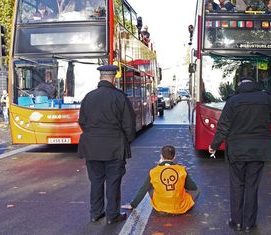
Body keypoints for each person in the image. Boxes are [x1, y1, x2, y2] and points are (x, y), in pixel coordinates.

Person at [208, 76, 271, 233]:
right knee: (252, 186)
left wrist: (214, 145)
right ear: (254, 84)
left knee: (237, 186)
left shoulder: (233, 101)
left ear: (239, 85)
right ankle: (249, 224)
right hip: (259, 150)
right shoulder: (265, 98)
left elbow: (223, 126)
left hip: (237, 150)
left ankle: (237, 222)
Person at [78, 64, 136, 224]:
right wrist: (125, 140)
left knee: (96, 181)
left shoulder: (88, 97)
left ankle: (95, 213)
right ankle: (112, 215)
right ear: (114, 78)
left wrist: (93, 134)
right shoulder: (120, 97)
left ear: (100, 77)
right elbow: (129, 125)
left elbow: (82, 121)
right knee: (113, 182)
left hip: (91, 147)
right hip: (114, 146)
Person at [121, 145, 199, 214]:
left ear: (161, 156)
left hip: (161, 209)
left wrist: (132, 205)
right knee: (196, 189)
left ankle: (162, 203)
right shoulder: (182, 170)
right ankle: (184, 204)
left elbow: (143, 189)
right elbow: (193, 187)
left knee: (149, 185)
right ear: (174, 157)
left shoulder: (154, 171)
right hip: (180, 208)